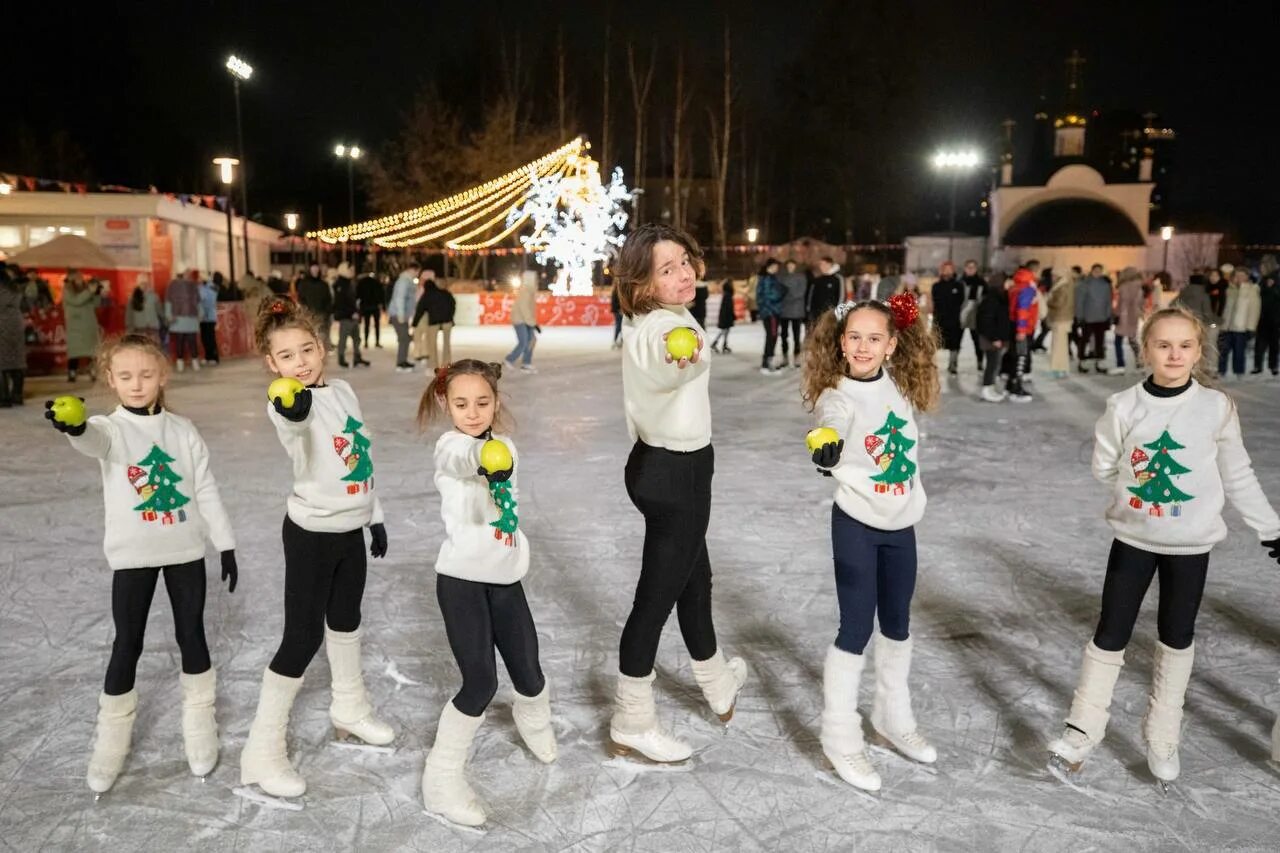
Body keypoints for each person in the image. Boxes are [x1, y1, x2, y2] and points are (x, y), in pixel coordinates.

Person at [1047, 306, 1280, 785]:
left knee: (1176, 636)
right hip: (1134, 539)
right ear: (1144, 349)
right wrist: (1135, 496)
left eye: (1185, 345)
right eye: (1163, 344)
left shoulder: (1216, 407)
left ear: (1198, 352)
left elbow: (1237, 474)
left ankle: (1162, 732)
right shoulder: (1125, 405)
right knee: (1111, 631)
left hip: (1191, 546)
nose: (1174, 354)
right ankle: (1082, 729)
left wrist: (1271, 528)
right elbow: (1105, 466)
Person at [42, 333, 237, 794]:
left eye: (146, 375)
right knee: (127, 642)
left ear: (162, 375)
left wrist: (224, 542)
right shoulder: (110, 429)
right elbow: (92, 440)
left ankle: (199, 728)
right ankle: (109, 745)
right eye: (125, 376)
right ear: (110, 379)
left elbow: (205, 487)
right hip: (133, 557)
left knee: (192, 634)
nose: (136, 384)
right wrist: (74, 429)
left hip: (185, 551)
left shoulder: (183, 430)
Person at [239, 297, 393, 801]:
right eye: (287, 356)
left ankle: (349, 709)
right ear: (272, 364)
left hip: (351, 528)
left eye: (307, 349)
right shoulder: (285, 400)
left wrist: (377, 516)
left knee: (346, 620)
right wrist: (293, 408)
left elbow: (360, 456)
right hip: (311, 533)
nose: (300, 362)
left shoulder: (344, 390)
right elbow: (295, 423)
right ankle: (261, 751)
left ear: (322, 348)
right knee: (301, 638)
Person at [609, 223, 747, 764]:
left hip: (664, 466)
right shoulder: (659, 329)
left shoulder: (663, 315)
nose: (683, 272)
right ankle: (631, 718)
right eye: (666, 269)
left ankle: (716, 682)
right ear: (643, 285)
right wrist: (678, 351)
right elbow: (665, 354)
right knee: (655, 601)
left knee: (696, 580)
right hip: (675, 473)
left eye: (684, 260)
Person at [801, 293, 941, 792]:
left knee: (898, 626)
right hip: (856, 525)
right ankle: (840, 737)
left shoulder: (899, 390)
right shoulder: (835, 395)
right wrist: (827, 445)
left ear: (891, 345)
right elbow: (828, 423)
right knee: (856, 627)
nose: (863, 346)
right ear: (841, 344)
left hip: (902, 526)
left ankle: (891, 716)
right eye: (854, 337)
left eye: (873, 338)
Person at [416, 359, 557, 826]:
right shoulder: (450, 446)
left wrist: (496, 457)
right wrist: (482, 458)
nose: (473, 412)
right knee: (481, 683)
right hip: (460, 581)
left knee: (530, 676)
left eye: (482, 402)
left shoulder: (507, 445)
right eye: (461, 403)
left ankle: (533, 721)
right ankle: (441, 778)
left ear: (496, 402)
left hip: (506, 580)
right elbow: (460, 459)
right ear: (445, 404)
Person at [1218, 267, 1260, 379]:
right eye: (1237, 275)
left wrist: (1251, 328)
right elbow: (1225, 308)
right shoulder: (1229, 290)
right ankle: (1221, 371)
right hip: (1227, 326)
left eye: (1242, 275)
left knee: (1239, 352)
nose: (1239, 278)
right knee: (1223, 350)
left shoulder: (1252, 289)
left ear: (1247, 277)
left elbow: (1254, 310)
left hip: (1241, 327)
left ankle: (1239, 372)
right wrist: (1222, 324)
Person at [977, 276, 1013, 402]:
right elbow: (985, 321)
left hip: (997, 337)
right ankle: (987, 389)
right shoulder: (992, 299)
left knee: (995, 364)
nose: (1009, 284)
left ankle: (990, 387)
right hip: (991, 339)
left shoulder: (1001, 297)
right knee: (992, 364)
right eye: (1007, 282)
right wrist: (994, 338)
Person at [63, 270, 103, 382]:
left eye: (81, 277)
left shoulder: (87, 289)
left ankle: (92, 370)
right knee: (74, 351)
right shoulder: (67, 290)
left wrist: (97, 293)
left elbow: (96, 304)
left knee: (91, 350)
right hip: (75, 325)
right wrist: (90, 291)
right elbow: (76, 301)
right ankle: (72, 372)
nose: (80, 279)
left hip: (88, 324)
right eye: (77, 277)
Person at [1075, 264, 1114, 374]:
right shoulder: (1084, 284)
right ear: (1091, 271)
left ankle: (1099, 362)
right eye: (1096, 270)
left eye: (1100, 271)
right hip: (1088, 317)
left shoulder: (1105, 284)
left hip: (1101, 318)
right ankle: (1082, 361)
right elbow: (1079, 302)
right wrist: (1080, 316)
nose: (1098, 272)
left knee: (1100, 341)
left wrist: (1108, 315)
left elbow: (1108, 301)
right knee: (1085, 340)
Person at [1007, 267, 1038, 401]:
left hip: (1014, 325)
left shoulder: (1014, 289)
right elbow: (1023, 310)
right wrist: (1022, 330)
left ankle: (1011, 383)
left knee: (1015, 355)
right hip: (1024, 328)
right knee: (1021, 357)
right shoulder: (1027, 290)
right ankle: (1016, 387)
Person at [931, 261, 966, 375]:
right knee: (935, 343)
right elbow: (934, 302)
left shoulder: (959, 286)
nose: (947, 271)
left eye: (950, 269)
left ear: (953, 270)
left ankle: (953, 364)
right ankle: (932, 364)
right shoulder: (936, 286)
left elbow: (962, 301)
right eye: (945, 269)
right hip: (939, 320)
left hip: (954, 320)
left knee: (954, 344)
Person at [412, 276, 456, 369]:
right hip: (447, 320)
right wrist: (450, 316)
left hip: (434, 322)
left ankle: (433, 364)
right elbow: (453, 304)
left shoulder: (427, 295)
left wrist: (414, 323)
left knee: (432, 343)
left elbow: (420, 310)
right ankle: (447, 363)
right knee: (446, 343)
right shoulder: (445, 293)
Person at [332, 263, 369, 369]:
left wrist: (357, 312)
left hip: (353, 315)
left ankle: (357, 357)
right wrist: (351, 313)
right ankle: (341, 358)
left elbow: (353, 300)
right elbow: (341, 302)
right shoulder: (340, 285)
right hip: (346, 316)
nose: (353, 271)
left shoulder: (350, 283)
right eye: (350, 269)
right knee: (343, 338)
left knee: (357, 338)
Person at [1112, 267, 1145, 376]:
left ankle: (1120, 365)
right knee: (1133, 341)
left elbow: (1122, 303)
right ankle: (1140, 364)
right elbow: (1140, 304)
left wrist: (1116, 314)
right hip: (1133, 317)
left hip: (1124, 316)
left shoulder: (1124, 287)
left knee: (1118, 341)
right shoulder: (1139, 287)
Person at [0, 268, 26, 406]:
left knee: (2, 363)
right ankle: (17, 395)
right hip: (16, 324)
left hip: (2, 325)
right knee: (17, 361)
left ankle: (3, 397)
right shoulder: (15, 288)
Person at [505, 270, 539, 373]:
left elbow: (530, 309)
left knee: (531, 340)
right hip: (520, 320)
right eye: (535, 278)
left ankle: (526, 363)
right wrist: (532, 322)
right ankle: (509, 359)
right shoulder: (525, 291)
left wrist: (533, 322)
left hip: (526, 320)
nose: (537, 280)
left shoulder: (530, 291)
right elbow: (524, 308)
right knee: (524, 342)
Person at [388, 262, 419, 372]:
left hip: (402, 314)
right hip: (398, 314)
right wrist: (401, 315)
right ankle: (401, 363)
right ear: (413, 270)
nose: (417, 274)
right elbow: (399, 299)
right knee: (404, 338)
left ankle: (403, 360)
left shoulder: (408, 281)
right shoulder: (403, 282)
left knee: (405, 338)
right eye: (417, 272)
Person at [1045, 271, 1076, 379]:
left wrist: (1048, 301)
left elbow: (1058, 303)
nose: (1052, 277)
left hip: (1060, 319)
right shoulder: (1067, 286)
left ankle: (1057, 368)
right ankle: (1062, 368)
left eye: (1054, 275)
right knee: (1062, 345)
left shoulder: (1061, 287)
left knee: (1058, 346)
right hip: (1064, 319)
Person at [777, 259, 808, 368]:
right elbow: (778, 291)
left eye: (792, 266)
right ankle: (784, 356)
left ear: (795, 266)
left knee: (796, 335)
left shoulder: (801, 277)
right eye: (788, 266)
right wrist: (784, 296)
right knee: (784, 335)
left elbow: (801, 292)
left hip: (796, 310)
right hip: (784, 310)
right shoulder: (781, 277)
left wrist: (787, 296)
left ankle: (796, 356)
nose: (790, 267)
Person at [756, 259, 785, 374]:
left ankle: (768, 361)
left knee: (772, 336)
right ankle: (766, 363)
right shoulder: (767, 278)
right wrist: (782, 291)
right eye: (776, 266)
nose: (777, 268)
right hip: (771, 312)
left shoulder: (768, 277)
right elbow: (770, 296)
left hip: (771, 312)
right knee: (771, 337)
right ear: (771, 266)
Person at [960, 259, 987, 371]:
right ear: (965, 268)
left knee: (977, 339)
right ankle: (953, 363)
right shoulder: (960, 281)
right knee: (957, 338)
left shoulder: (982, 283)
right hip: (961, 312)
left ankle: (980, 362)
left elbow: (986, 299)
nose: (971, 269)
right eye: (969, 267)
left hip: (976, 314)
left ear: (976, 269)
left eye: (973, 267)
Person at [296, 264, 333, 345]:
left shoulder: (323, 284)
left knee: (323, 339)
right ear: (309, 271)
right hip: (309, 317)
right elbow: (301, 300)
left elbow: (328, 300)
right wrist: (305, 312)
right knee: (309, 339)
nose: (315, 271)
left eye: (316, 270)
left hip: (322, 316)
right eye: (313, 270)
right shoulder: (304, 284)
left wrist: (327, 312)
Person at [1253, 270, 1280, 376]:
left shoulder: (1277, 292)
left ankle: (1273, 366)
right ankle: (1258, 366)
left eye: (1271, 281)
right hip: (1262, 322)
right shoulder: (1261, 292)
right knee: (1259, 346)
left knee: (1274, 347)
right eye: (1268, 280)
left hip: (1275, 323)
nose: (1269, 282)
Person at [125, 275, 162, 343]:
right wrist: (129, 330)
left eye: (146, 283)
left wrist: (166, 320)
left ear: (148, 284)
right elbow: (129, 315)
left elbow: (160, 311)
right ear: (138, 284)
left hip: (153, 329)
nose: (144, 285)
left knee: (154, 350)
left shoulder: (154, 296)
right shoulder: (132, 297)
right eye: (142, 283)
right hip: (139, 331)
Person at [807, 257, 844, 324]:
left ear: (829, 264)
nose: (821, 266)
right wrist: (810, 311)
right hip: (817, 315)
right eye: (820, 265)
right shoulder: (817, 280)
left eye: (824, 264)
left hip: (831, 314)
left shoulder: (837, 279)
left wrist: (837, 311)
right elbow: (811, 296)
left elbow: (841, 296)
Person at [356, 267, 383, 349]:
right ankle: (377, 341)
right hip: (375, 306)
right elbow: (381, 293)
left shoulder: (361, 282)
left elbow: (358, 294)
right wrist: (381, 304)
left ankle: (366, 342)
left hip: (366, 305)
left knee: (366, 325)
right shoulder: (376, 282)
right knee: (377, 325)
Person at [198, 274, 220, 366]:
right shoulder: (202, 287)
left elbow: (203, 298)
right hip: (203, 317)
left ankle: (214, 357)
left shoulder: (212, 288)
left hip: (210, 317)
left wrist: (200, 287)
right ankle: (208, 357)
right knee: (204, 338)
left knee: (210, 338)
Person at [710, 278, 736, 353]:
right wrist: (731, 316)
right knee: (724, 330)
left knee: (726, 330)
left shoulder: (727, 295)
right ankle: (714, 343)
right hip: (726, 316)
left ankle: (724, 344)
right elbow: (728, 308)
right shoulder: (728, 296)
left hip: (727, 316)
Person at [610, 282, 624, 349]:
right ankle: (616, 340)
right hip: (618, 311)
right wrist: (619, 309)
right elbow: (615, 303)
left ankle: (620, 340)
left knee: (621, 326)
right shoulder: (616, 292)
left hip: (618, 311)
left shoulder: (617, 291)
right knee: (619, 326)